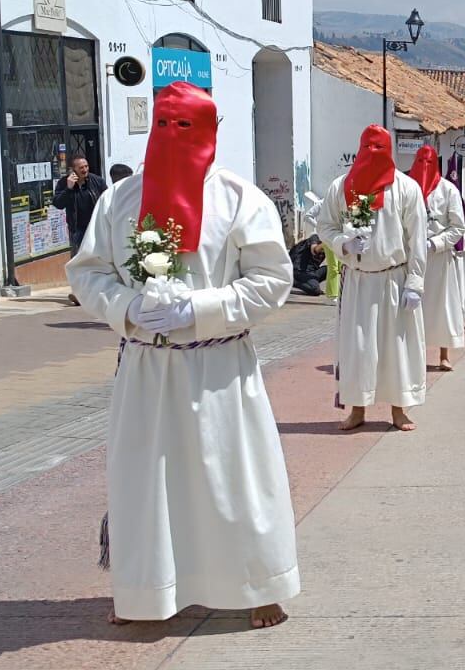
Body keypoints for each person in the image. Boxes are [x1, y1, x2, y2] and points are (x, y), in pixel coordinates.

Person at [65, 82, 299, 630]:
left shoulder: (241, 199)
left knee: (232, 475)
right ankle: (145, 589)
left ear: (212, 131)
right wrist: (127, 308)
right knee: (147, 478)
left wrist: (200, 309)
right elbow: (88, 272)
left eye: (186, 126)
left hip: (218, 366)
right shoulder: (120, 199)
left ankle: (257, 585)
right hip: (147, 367)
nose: (174, 136)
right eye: (164, 125)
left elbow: (271, 280)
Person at [318, 124, 428, 433]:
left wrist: (415, 282)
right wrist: (343, 244)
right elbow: (325, 226)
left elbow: (417, 238)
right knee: (358, 348)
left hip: (394, 280)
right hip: (358, 281)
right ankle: (357, 408)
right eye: (367, 147)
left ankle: (399, 410)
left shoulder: (406, 188)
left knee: (396, 348)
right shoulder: (342, 187)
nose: (373, 153)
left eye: (379, 148)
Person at [411, 146, 465, 373]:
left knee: (442, 306)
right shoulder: (408, 188)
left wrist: (435, 243)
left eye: (428, 162)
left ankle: (444, 354)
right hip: (412, 258)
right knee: (412, 307)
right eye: (420, 162)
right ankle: (414, 355)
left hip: (439, 258)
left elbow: (458, 227)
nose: (424, 167)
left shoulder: (448, 190)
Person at [53, 155, 109, 306]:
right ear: (73, 169)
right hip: (78, 229)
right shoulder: (64, 183)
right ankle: (79, 294)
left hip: (97, 227)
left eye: (86, 166)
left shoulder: (97, 181)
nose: (84, 170)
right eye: (81, 167)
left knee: (100, 260)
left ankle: (100, 291)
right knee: (79, 262)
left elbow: (107, 200)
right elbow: (58, 203)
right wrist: (69, 188)